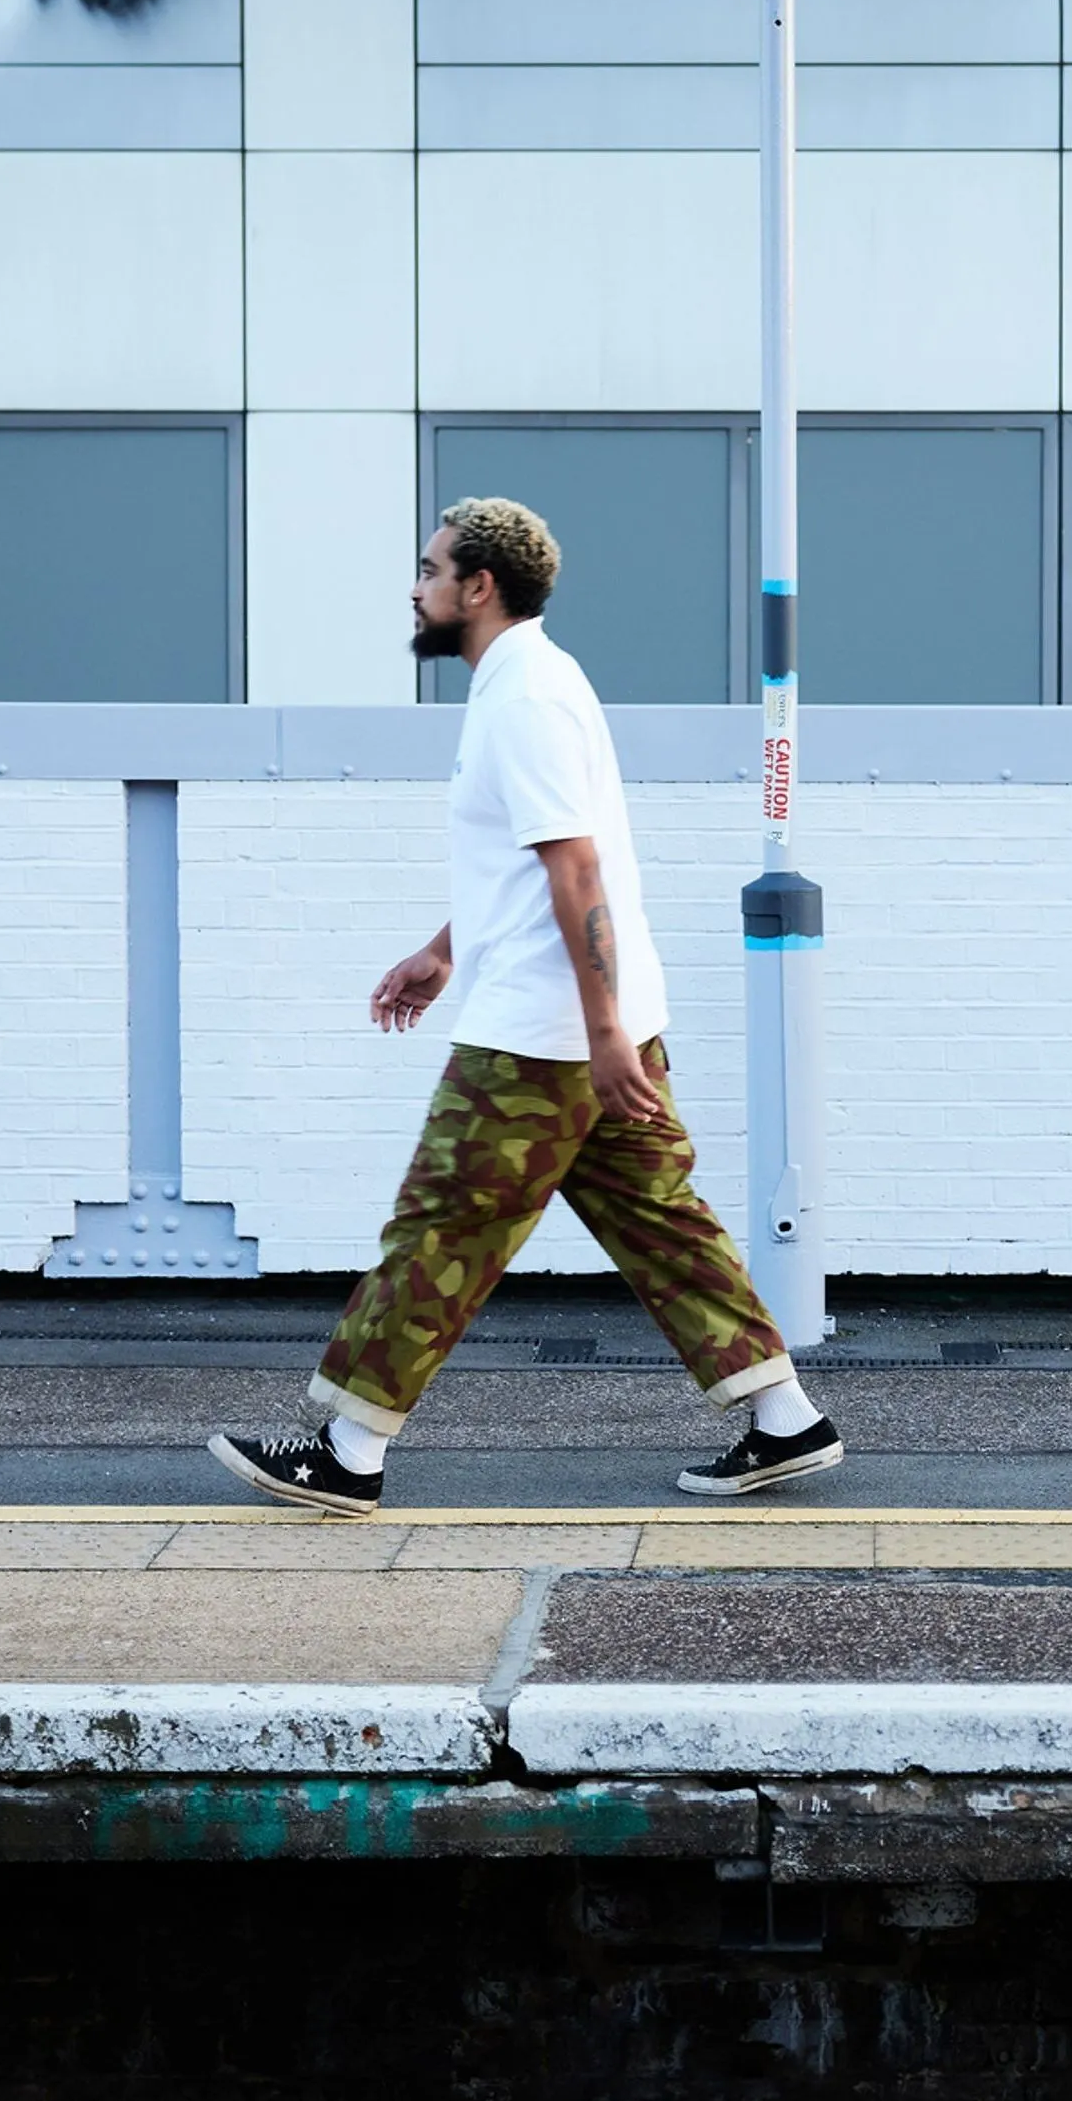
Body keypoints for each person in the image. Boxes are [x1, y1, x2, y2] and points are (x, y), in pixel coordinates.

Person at [209, 497, 842, 1517]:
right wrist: (443, 948)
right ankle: (786, 1422)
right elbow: (530, 863)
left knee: (441, 1227)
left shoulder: (527, 699)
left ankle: (349, 1452)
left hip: (544, 1038)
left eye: (429, 569)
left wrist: (594, 1037)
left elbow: (577, 871)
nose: (415, 588)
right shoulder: (528, 684)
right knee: (662, 1226)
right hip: (585, 1022)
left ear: (479, 586)